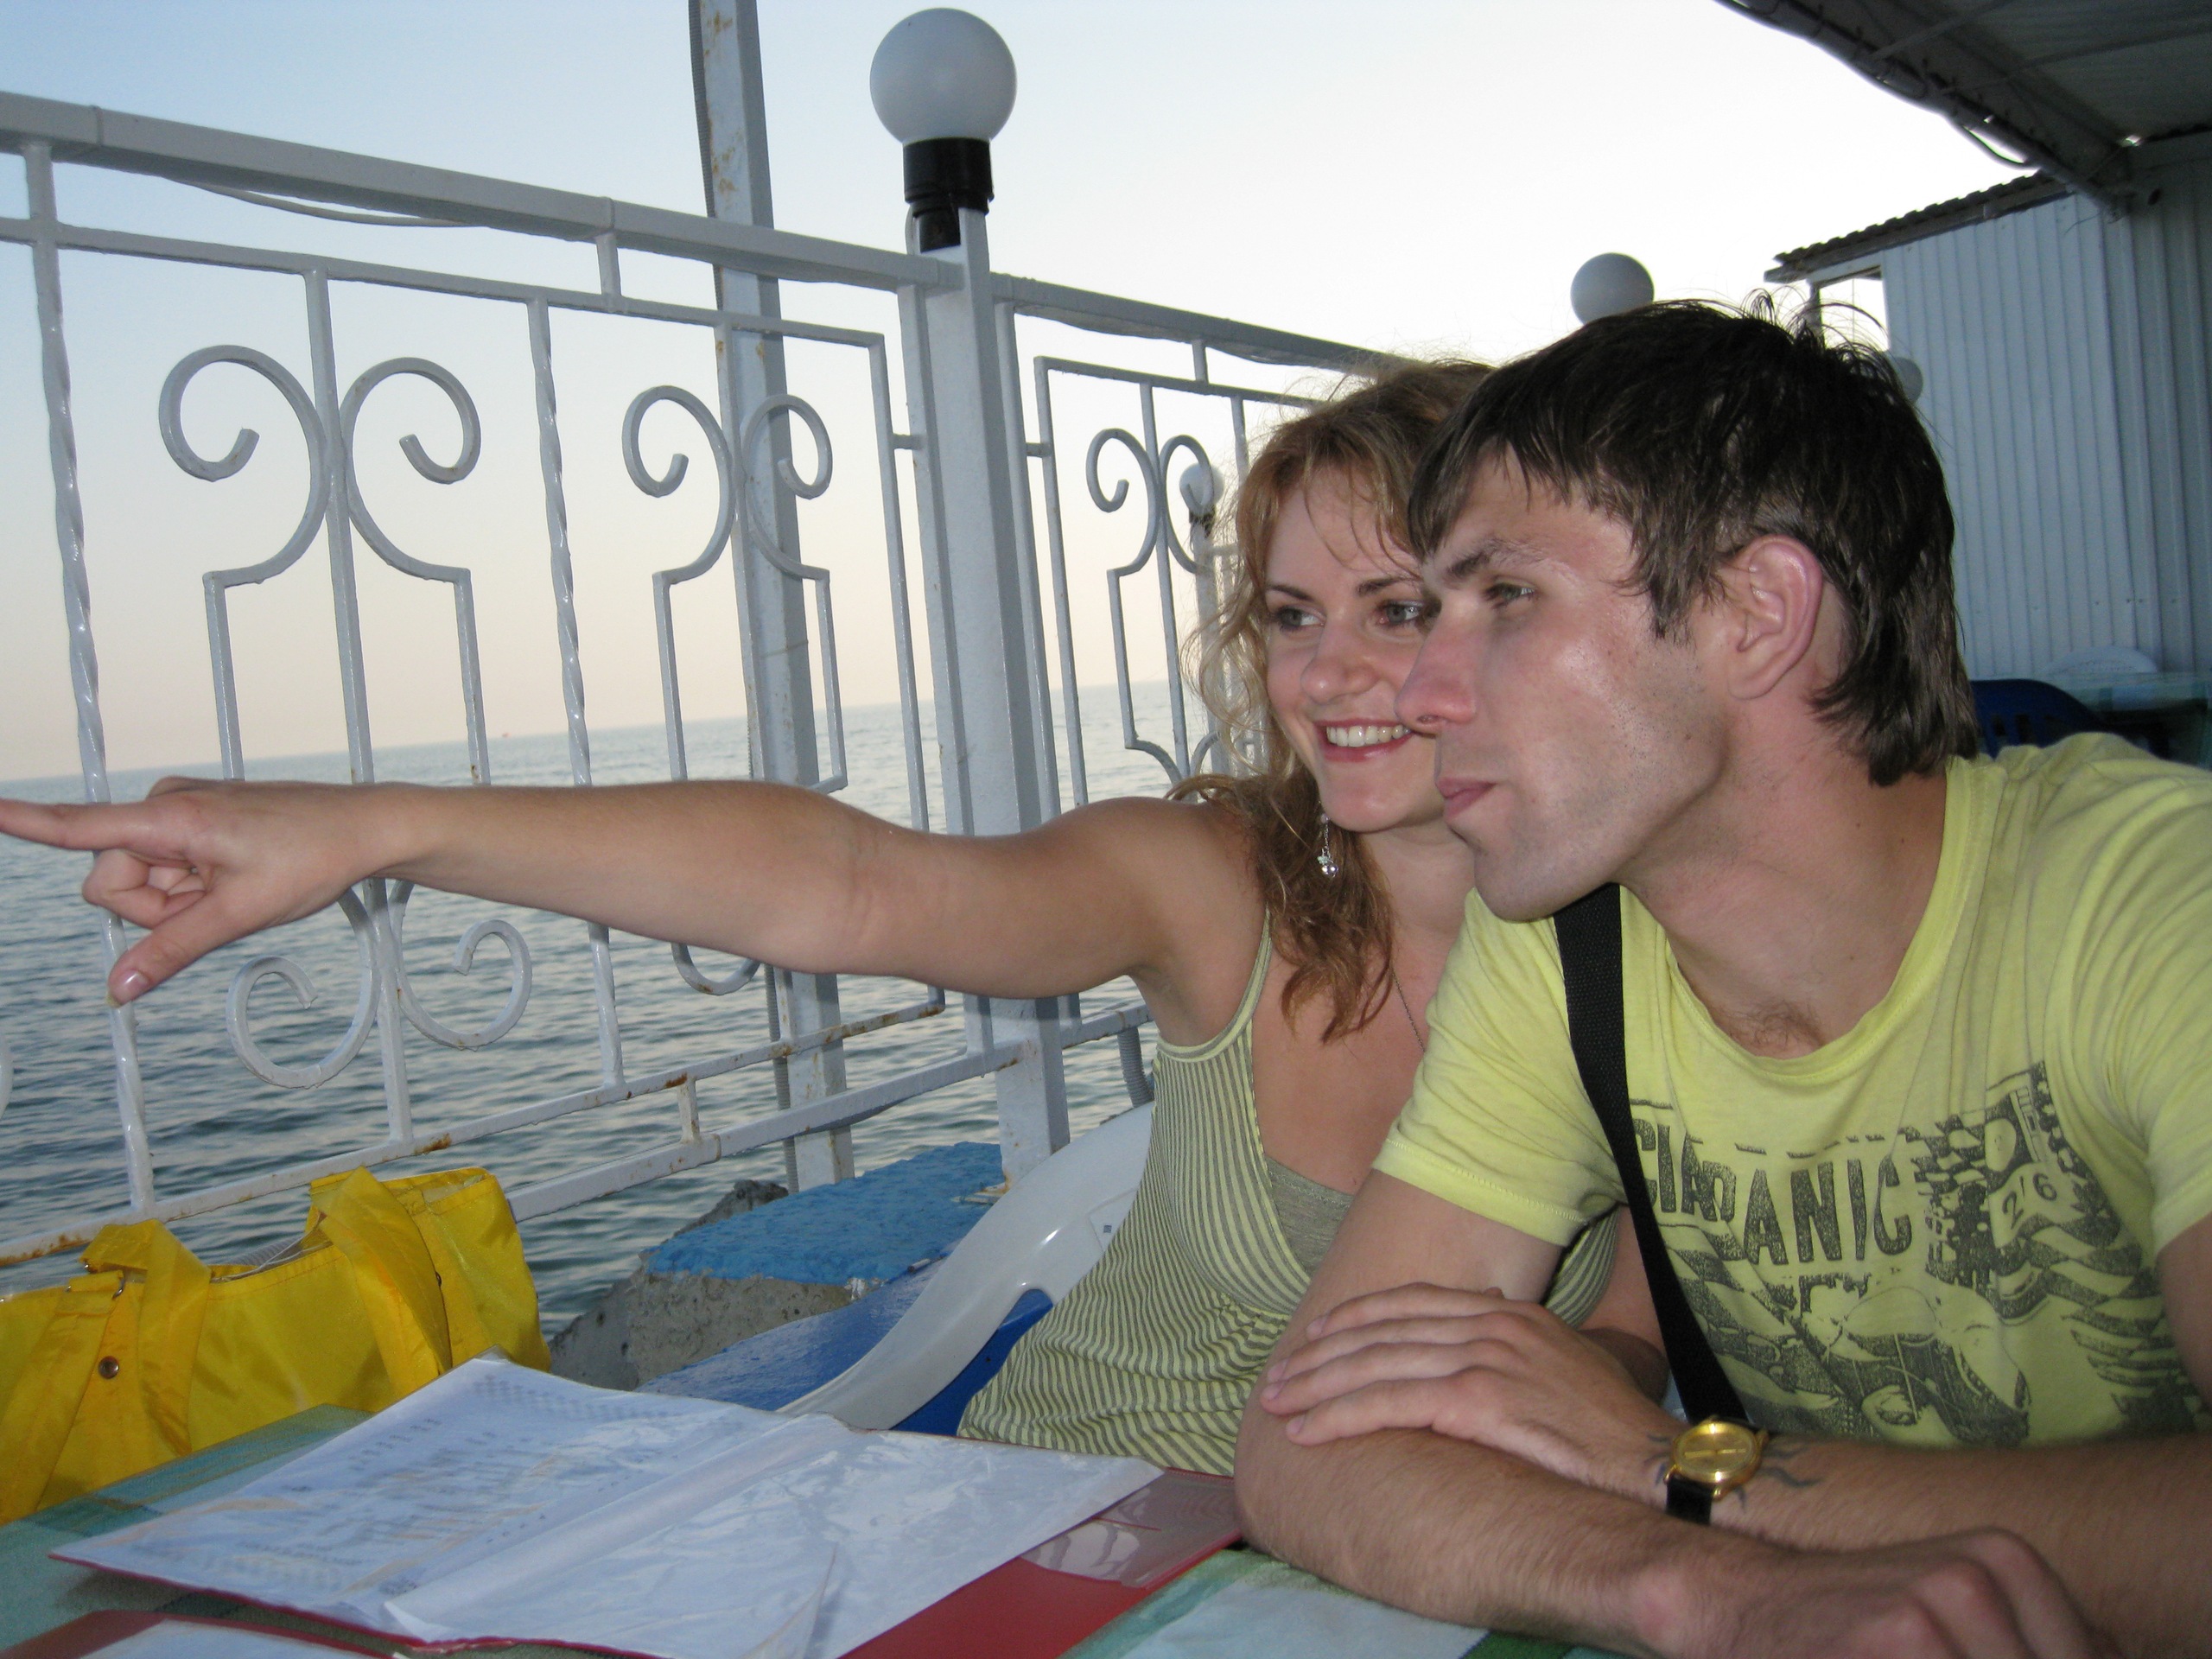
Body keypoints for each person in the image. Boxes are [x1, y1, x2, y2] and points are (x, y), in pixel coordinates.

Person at [0, 361, 1653, 1481]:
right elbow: (851, 884)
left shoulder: (1640, 947)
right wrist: (375, 830)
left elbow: (1646, 1328)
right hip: (1060, 1519)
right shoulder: (1217, 889)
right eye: (1291, 615)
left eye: (1396, 607)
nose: (1332, 672)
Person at [1235, 300, 2212, 1659]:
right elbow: (1305, 1447)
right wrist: (1704, 1591)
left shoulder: (2152, 900)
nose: (1423, 692)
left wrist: (1685, 1468)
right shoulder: (1566, 937)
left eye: (1503, 596)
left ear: (1757, 613)